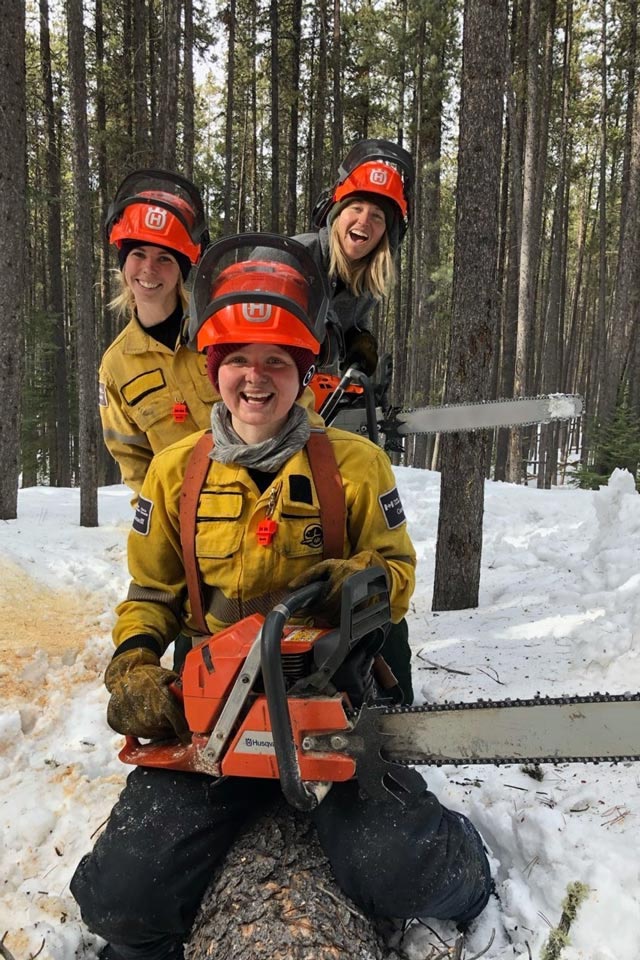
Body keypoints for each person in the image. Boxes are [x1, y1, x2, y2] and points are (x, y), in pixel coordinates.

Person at [71, 235, 491, 960]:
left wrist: (351, 587)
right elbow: (151, 592)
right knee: (120, 896)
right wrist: (136, 662)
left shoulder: (355, 465)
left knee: (400, 868)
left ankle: (470, 872)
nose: (255, 379)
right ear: (214, 369)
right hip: (217, 713)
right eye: (237, 360)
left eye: (276, 361)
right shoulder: (175, 474)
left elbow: (395, 572)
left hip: (328, 700)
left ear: (303, 371)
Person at [256, 140, 417, 702]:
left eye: (378, 215)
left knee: (350, 553)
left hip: (315, 430)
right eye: (357, 208)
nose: (364, 221)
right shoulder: (296, 262)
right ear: (336, 209)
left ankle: (368, 693)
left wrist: (355, 343)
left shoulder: (362, 278)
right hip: (272, 427)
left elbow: (335, 333)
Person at [99, 169, 216, 502]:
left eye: (165, 258)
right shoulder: (116, 366)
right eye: (138, 255)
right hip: (182, 516)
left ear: (181, 269)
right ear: (124, 263)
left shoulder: (218, 330)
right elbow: (134, 463)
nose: (149, 269)